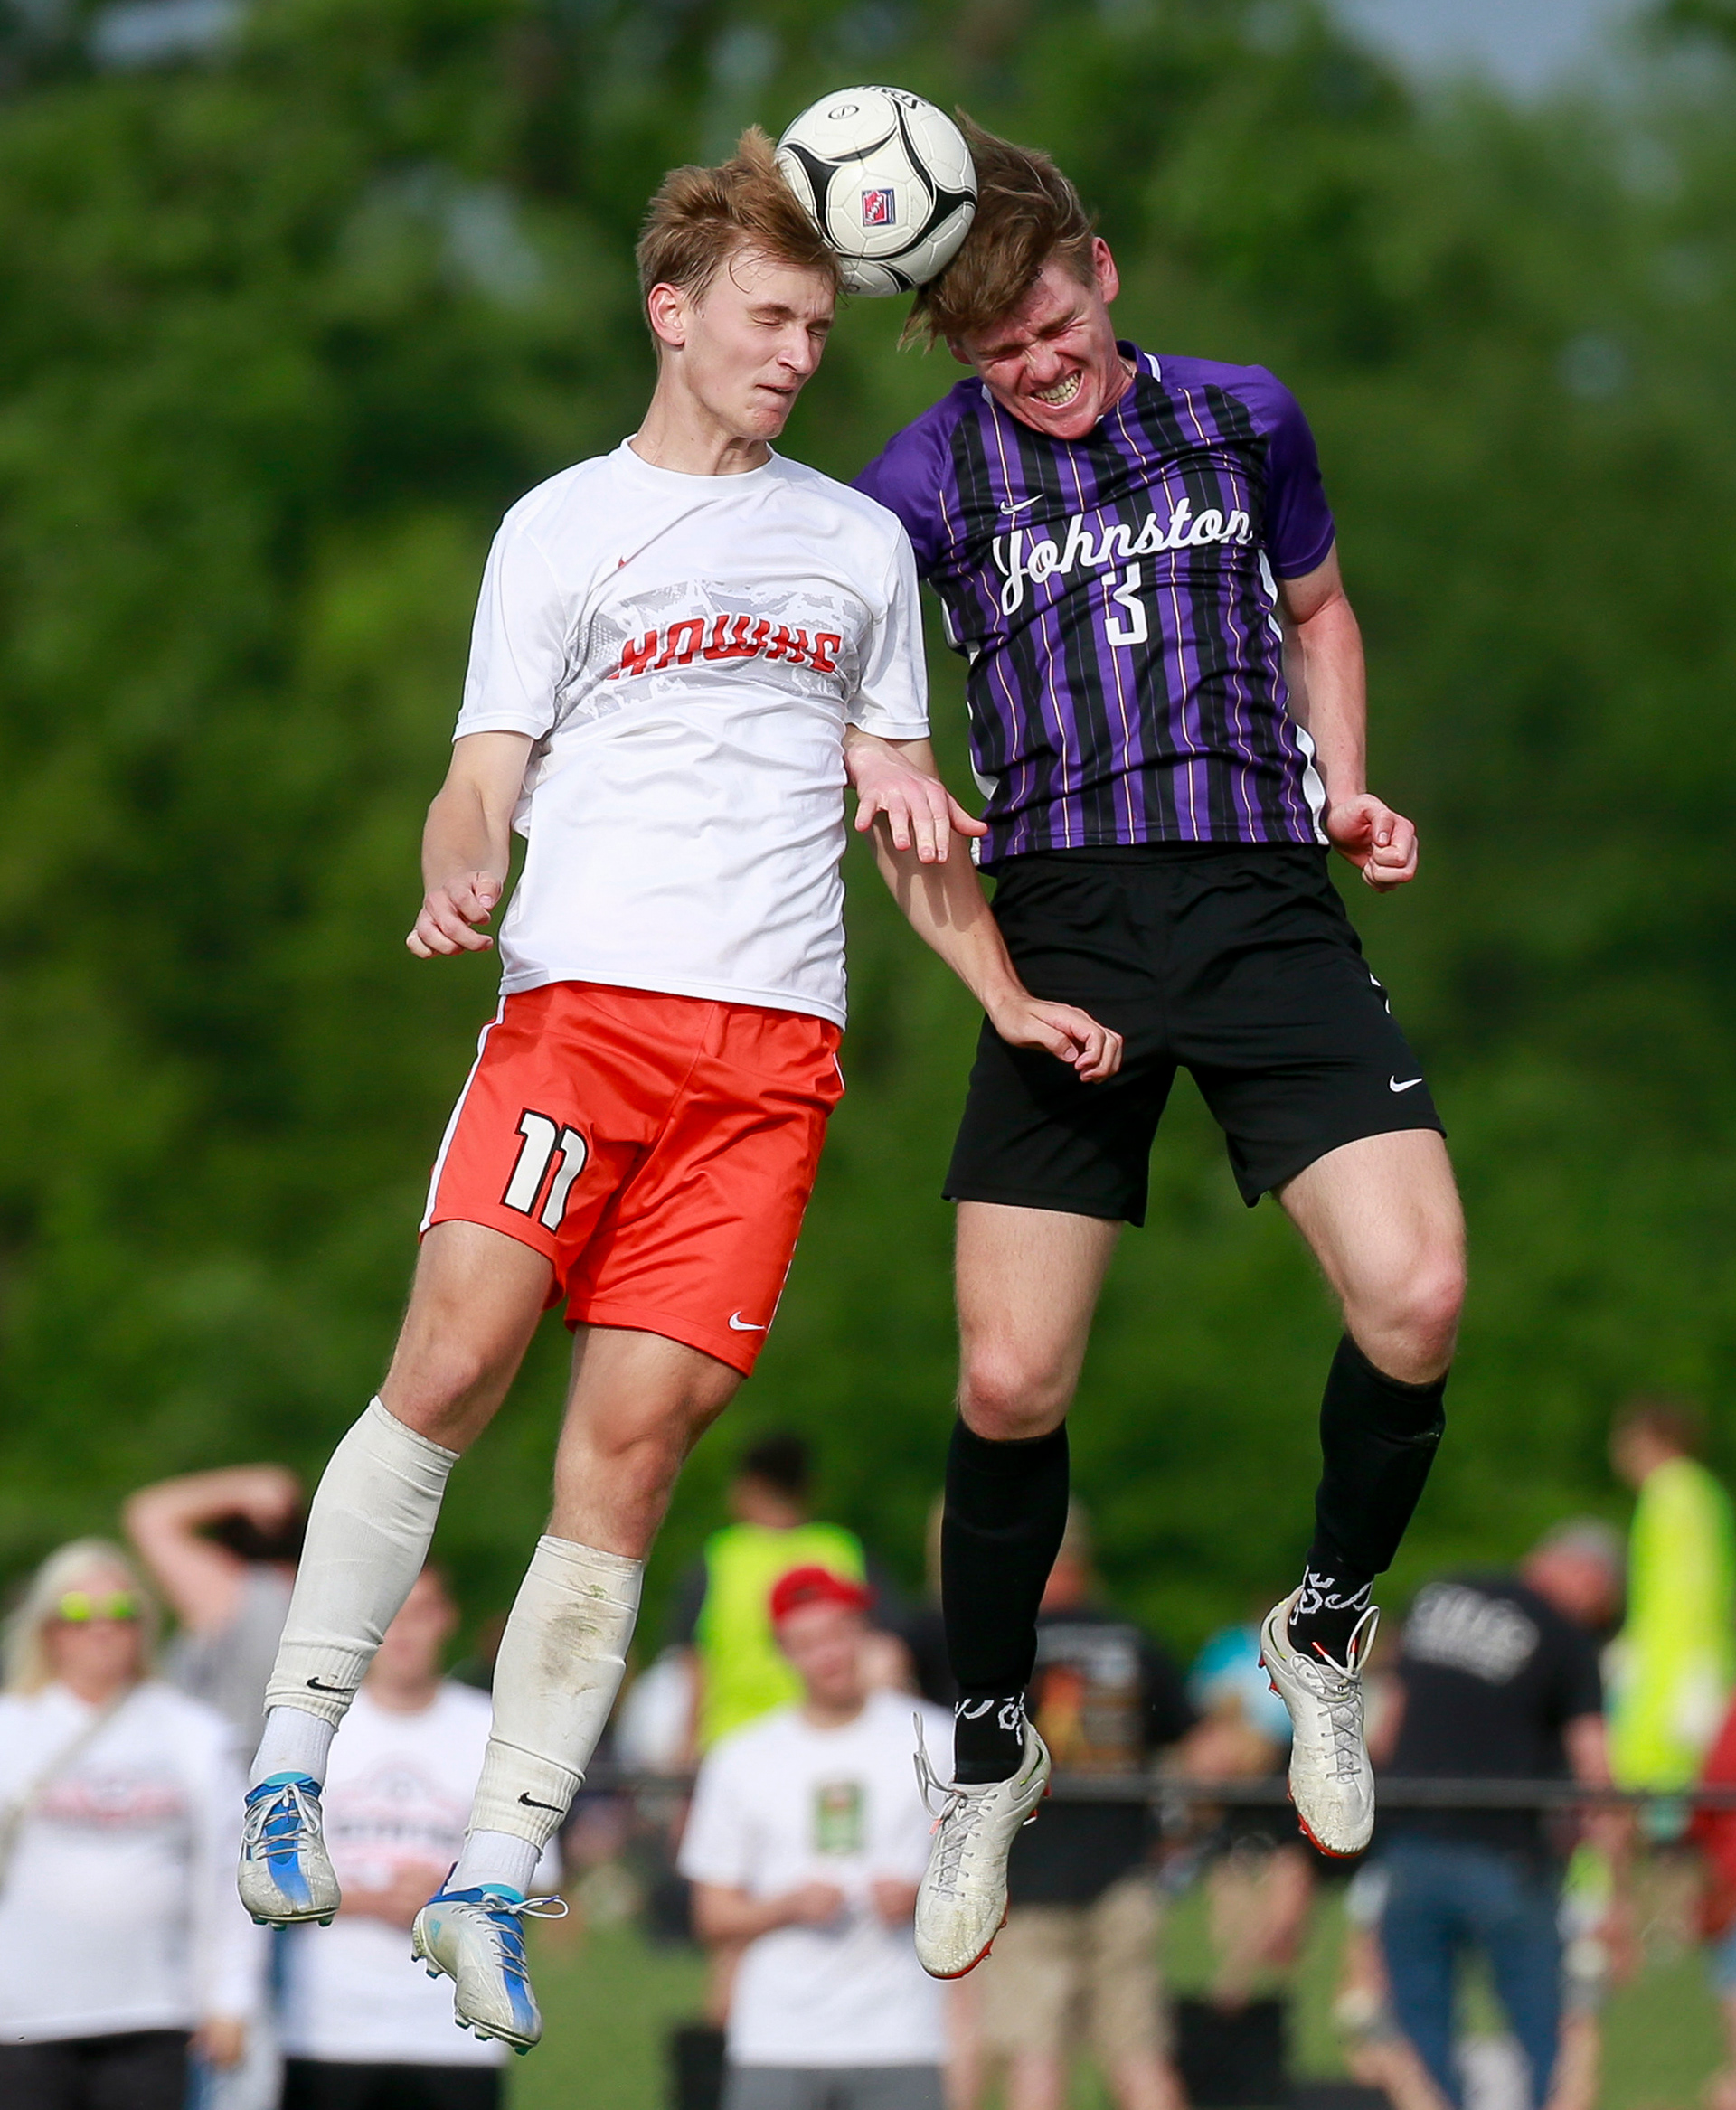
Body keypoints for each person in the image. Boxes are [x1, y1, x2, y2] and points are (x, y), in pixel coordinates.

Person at [236, 127, 1118, 2055]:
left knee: (629, 1453)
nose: (801, 354)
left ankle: (495, 1869)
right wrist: (454, 862)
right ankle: (293, 1748)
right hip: (583, 1017)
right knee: (460, 1356)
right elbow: (482, 765)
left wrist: (1004, 989)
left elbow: (903, 815)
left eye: (820, 325)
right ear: (676, 309)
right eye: (770, 317)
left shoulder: (856, 544)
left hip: (769, 1061)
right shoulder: (562, 523)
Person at [850, 118, 1467, 1976]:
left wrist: (1345, 789)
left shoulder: (1241, 414)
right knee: (1013, 1379)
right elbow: (860, 722)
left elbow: (1321, 609)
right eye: (994, 351)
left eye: (1048, 326)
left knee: (1419, 1301)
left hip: (1266, 902)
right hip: (1064, 930)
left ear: (1100, 275)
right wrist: (890, 758)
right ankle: (985, 1748)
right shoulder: (912, 488)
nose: (1033, 369)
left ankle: (1326, 1627)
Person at [278, 1565, 559, 2108]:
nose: (404, 1632)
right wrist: (370, 1898)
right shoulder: (315, 1727)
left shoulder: (493, 1731)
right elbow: (269, 1870)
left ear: (446, 1620)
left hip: (456, 2030)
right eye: (391, 1616)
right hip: (328, 2027)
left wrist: (446, 1897)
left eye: (421, 1613)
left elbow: (536, 1874)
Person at [1370, 1523, 1627, 2110]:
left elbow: (1386, 1732)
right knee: (1543, 2026)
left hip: (1409, 1846)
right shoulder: (1565, 1636)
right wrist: (1617, 1887)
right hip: (1505, 1854)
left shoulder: (1440, 1596)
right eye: (1603, 1606)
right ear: (1589, 1579)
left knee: (1420, 2026)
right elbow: (1595, 1769)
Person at [0, 1539, 263, 2106]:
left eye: (121, 1613)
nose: (101, 1629)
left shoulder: (192, 1732)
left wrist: (230, 2000)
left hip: (152, 2010)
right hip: (22, 2017)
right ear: (46, 1629)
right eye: (77, 1614)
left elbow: (228, 1876)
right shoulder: (11, 1728)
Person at [679, 1566, 953, 2110]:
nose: (828, 1656)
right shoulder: (742, 1758)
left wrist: (923, 1899)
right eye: (807, 1643)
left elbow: (986, 1886)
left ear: (865, 1634)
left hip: (902, 2032)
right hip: (777, 2035)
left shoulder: (936, 1740)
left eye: (839, 1633)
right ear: (783, 1652)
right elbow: (712, 1915)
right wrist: (785, 1908)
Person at [971, 1505, 1194, 2110]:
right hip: (1123, 1875)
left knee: (1036, 2061)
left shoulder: (1000, 1647)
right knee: (1139, 2058)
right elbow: (1188, 1743)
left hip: (1027, 1877)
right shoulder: (1133, 1639)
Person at [667, 1431, 869, 1752]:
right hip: (836, 1734)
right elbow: (884, 1647)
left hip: (732, 1741)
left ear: (749, 1487)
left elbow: (695, 1666)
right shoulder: (841, 1550)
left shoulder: (720, 1557)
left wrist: (687, 1743)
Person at [1607, 1397, 1735, 1797]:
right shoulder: (1701, 1492)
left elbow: (1686, 1596)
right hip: (1686, 1659)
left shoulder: (1672, 1491)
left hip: (1671, 1668)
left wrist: (1674, 1667)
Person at [125, 1465, 305, 1743]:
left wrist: (242, 1489)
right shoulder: (317, 1595)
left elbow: (151, 1515)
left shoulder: (237, 1592)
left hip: (224, 1774)